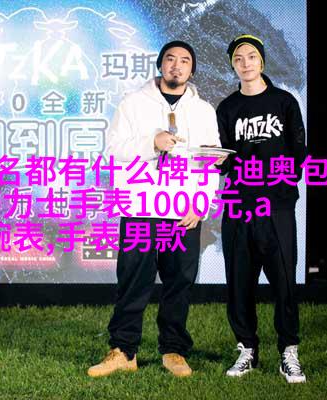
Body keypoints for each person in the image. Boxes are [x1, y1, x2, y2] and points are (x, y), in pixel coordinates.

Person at [87, 40, 222, 378]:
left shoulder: (203, 110)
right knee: (133, 280)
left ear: (192, 69)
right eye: (171, 59)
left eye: (185, 61)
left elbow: (210, 160)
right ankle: (123, 350)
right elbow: (112, 150)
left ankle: (173, 351)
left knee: (179, 281)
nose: (177, 65)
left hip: (183, 210)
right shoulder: (133, 103)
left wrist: (201, 203)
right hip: (140, 207)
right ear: (161, 64)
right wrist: (151, 142)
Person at [216, 34, 307, 383]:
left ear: (262, 61)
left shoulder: (284, 101)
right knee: (239, 281)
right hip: (239, 206)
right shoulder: (227, 108)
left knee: (284, 280)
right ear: (233, 65)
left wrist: (277, 185)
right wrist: (216, 161)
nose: (245, 63)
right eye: (238, 58)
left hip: (276, 207)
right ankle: (247, 349)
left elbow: (298, 150)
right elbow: (224, 157)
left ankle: (289, 351)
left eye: (251, 56)